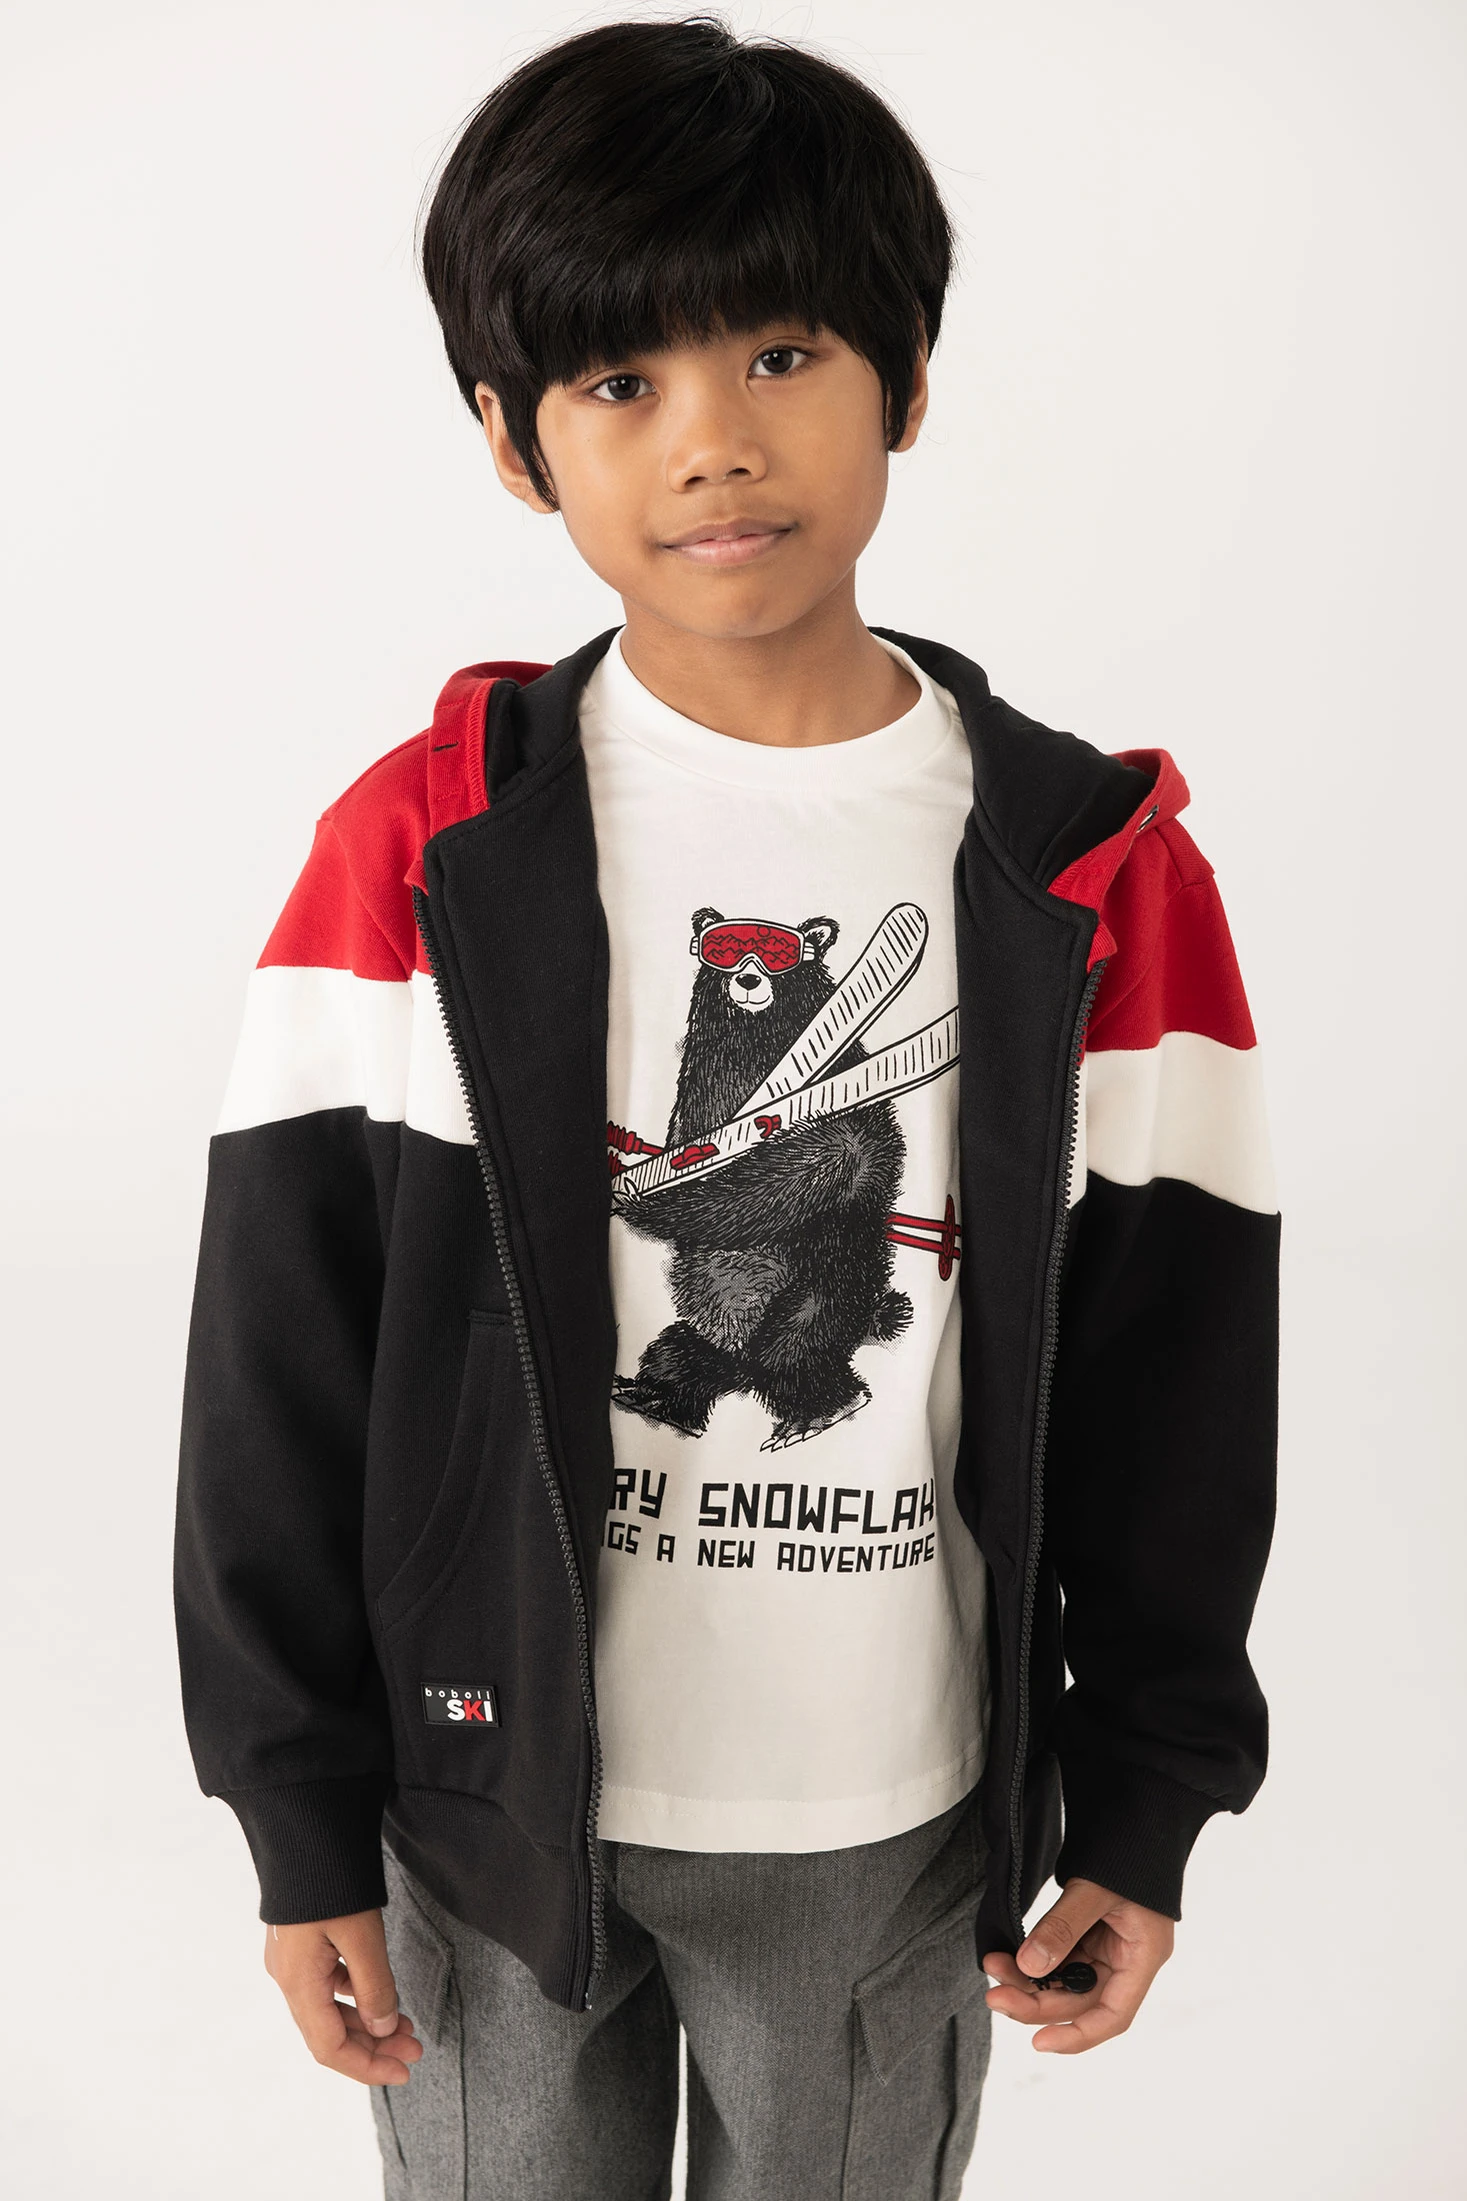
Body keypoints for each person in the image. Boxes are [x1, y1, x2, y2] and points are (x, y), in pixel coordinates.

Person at [174, 19, 1279, 2198]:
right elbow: (277, 1358)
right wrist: (293, 1806)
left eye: (779, 353)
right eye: (620, 381)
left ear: (907, 380)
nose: (712, 443)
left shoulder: (1090, 874)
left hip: (883, 1811)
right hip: (484, 1805)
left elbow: (1182, 1379)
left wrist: (1147, 1792)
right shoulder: (417, 855)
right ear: (513, 440)